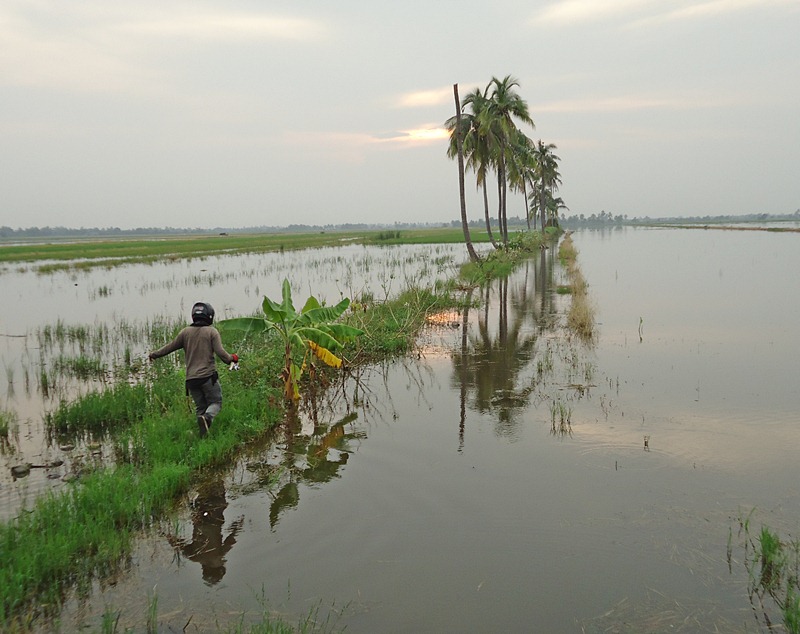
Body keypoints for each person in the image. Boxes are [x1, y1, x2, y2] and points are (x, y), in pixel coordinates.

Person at [149, 302, 238, 437]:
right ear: (209, 316)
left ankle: (203, 436)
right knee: (216, 402)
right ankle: (208, 417)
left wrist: (154, 354)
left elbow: (169, 347)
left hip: (191, 380)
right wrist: (233, 358)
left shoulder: (185, 333)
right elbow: (222, 354)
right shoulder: (211, 332)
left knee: (200, 408)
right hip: (207, 377)